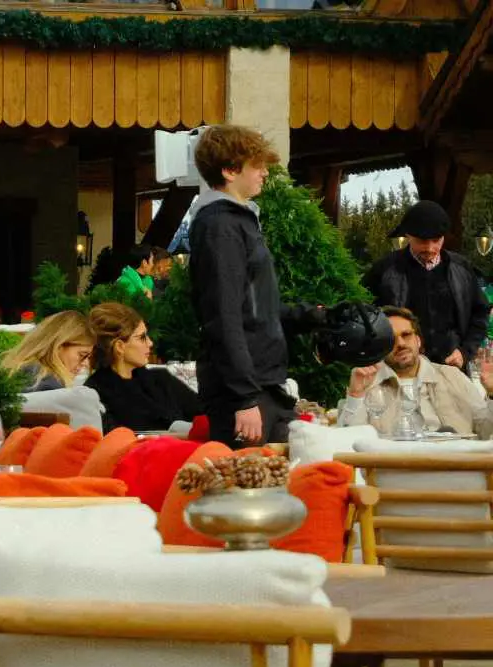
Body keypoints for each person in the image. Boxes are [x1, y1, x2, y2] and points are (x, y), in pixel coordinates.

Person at [187, 124, 324, 447]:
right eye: (257, 165)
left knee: (288, 469)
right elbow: (223, 316)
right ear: (229, 170)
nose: (264, 172)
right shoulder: (220, 225)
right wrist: (244, 397)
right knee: (249, 479)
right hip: (245, 392)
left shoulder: (237, 220)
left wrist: (316, 316)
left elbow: (257, 309)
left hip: (264, 384)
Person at [364, 200, 489, 370]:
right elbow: (364, 317)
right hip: (400, 371)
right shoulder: (384, 270)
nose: (430, 248)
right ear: (408, 236)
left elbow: (480, 313)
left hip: (452, 369)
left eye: (436, 240)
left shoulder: (462, 268)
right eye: (422, 241)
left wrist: (465, 352)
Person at [337, 307, 493, 438]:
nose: (401, 344)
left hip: (457, 462)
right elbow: (350, 441)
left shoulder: (452, 376)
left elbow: (487, 431)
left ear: (418, 340)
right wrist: (355, 395)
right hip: (397, 464)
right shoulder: (368, 385)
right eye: (391, 339)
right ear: (380, 346)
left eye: (406, 335)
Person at [85, 303, 202, 431]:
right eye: (142, 338)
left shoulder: (161, 379)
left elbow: (204, 415)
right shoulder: (95, 394)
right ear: (120, 346)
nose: (150, 343)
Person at [1, 310, 95, 392]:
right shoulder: (49, 385)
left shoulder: (20, 371)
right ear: (58, 346)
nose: (86, 363)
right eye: (82, 355)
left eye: (89, 357)